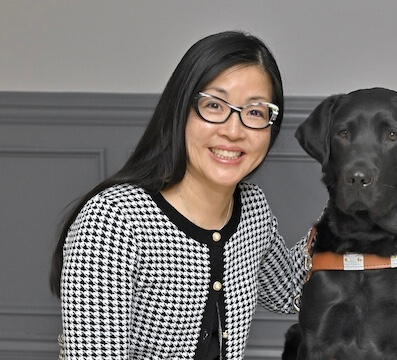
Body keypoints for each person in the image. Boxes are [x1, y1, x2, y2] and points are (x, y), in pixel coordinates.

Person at [49, 30, 310, 360]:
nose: (234, 130)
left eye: (255, 112)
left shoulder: (251, 209)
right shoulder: (114, 220)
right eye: (214, 105)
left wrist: (348, 202)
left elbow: (289, 293)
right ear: (181, 111)